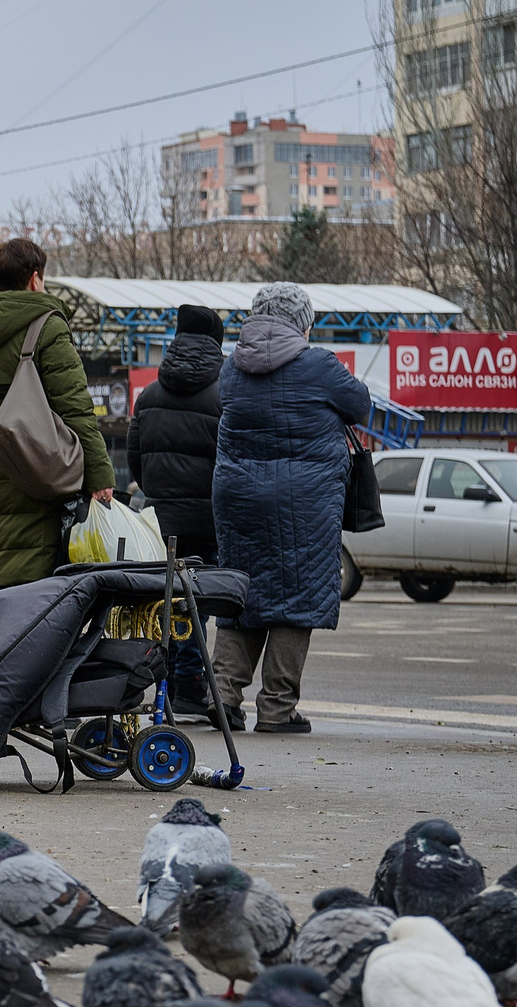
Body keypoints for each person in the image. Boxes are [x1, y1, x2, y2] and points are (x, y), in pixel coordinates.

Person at [209, 282, 368, 736]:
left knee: (241, 594)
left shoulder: (231, 369)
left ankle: (222, 699)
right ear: (301, 322)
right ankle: (277, 708)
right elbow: (361, 406)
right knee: (298, 598)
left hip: (238, 497)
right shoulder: (318, 364)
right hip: (305, 502)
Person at [0, 236, 113, 591]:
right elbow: (75, 407)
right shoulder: (47, 326)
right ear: (35, 278)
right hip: (44, 469)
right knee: (42, 596)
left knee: (1, 595)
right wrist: (100, 475)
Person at [127, 303, 227, 719]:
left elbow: (134, 459)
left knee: (168, 603)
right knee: (201, 602)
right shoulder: (225, 394)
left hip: (161, 518)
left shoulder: (150, 394)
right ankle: (191, 687)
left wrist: (158, 491)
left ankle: (171, 684)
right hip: (210, 518)